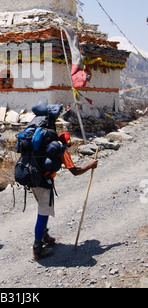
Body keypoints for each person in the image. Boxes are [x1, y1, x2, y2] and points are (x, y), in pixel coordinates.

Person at [29, 103, 98, 260]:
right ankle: (38, 248)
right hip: (44, 181)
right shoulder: (59, 148)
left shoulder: (39, 139)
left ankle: (45, 236)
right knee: (43, 212)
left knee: (43, 208)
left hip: (32, 178)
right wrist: (90, 165)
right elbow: (75, 171)